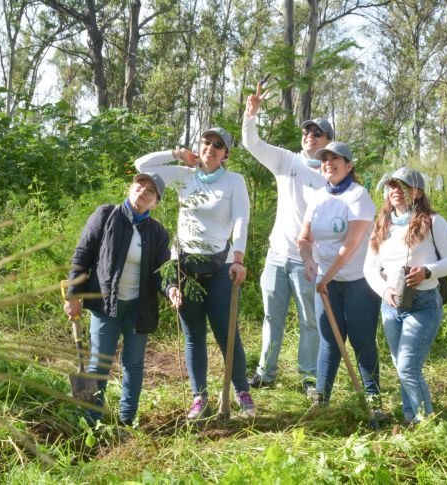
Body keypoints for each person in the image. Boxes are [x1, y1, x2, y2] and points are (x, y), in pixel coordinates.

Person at [134, 127, 256, 419]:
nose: (210, 148)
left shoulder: (234, 181)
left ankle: (241, 391)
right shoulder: (184, 175)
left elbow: (241, 219)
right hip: (185, 265)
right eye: (206, 142)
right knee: (194, 335)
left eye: (218, 145)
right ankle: (200, 398)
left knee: (227, 332)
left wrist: (238, 257)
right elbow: (142, 166)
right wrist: (178, 154)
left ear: (226, 153)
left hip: (221, 263)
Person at [242, 81, 332, 395]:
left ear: (328, 142)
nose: (309, 136)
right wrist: (250, 114)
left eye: (317, 133)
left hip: (308, 262)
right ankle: (265, 372)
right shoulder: (286, 160)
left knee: (309, 320)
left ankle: (308, 377)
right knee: (271, 315)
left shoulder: (331, 177)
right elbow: (253, 144)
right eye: (307, 132)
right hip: (276, 255)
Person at [63, 172, 172, 427]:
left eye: (151, 190)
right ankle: (93, 423)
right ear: (130, 188)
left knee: (133, 364)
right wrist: (74, 295)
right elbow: (83, 256)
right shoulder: (105, 215)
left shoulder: (158, 233)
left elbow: (162, 272)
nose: (143, 190)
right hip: (105, 304)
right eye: (140, 184)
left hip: (139, 306)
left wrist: (172, 289)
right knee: (99, 365)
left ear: (155, 202)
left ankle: (127, 420)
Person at [363, 166, 447, 425]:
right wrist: (384, 290)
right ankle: (410, 416)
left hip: (423, 303)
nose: (395, 191)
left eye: (403, 186)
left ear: (417, 192)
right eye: (392, 186)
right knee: (402, 368)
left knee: (408, 367)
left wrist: (427, 272)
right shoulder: (382, 225)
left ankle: (424, 422)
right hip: (392, 305)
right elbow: (370, 267)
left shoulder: (433, 222)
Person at [297, 141, 388, 422]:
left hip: (359, 280)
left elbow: (351, 245)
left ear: (349, 166)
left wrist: (326, 276)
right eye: (325, 159)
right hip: (327, 282)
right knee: (329, 341)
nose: (329, 163)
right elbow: (304, 238)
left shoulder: (358, 196)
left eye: (336, 159)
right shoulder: (317, 198)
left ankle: (374, 402)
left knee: (362, 340)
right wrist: (309, 260)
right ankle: (322, 401)